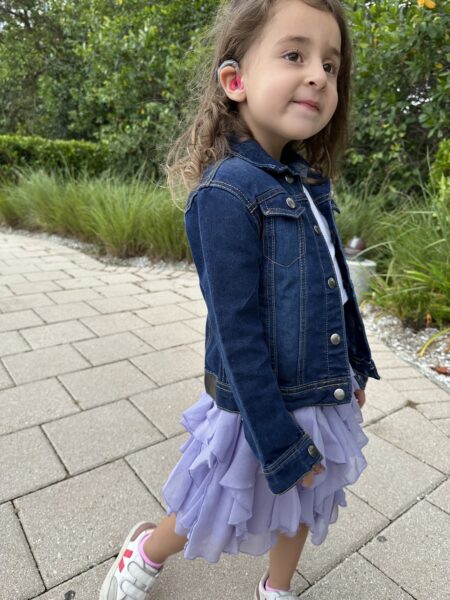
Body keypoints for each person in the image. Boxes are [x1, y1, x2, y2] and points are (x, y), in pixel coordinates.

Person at [99, 0, 380, 598]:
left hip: (318, 387)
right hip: (255, 401)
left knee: (307, 497)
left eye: (330, 66)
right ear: (236, 81)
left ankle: (275, 590)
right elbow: (236, 330)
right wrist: (274, 436)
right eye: (294, 54)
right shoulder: (226, 194)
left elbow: (338, 286)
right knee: (211, 500)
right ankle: (144, 553)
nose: (318, 76)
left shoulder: (309, 185)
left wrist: (353, 364)